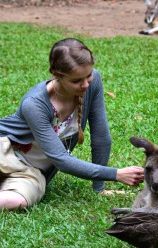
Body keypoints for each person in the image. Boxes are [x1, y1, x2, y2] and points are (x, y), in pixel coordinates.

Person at [0, 38, 144, 210]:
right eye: (76, 81)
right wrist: (117, 174)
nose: (85, 85)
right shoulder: (34, 104)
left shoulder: (93, 81)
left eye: (88, 76)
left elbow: (101, 137)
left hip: (32, 172)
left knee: (17, 201)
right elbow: (61, 160)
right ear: (56, 74)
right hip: (4, 151)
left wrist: (99, 187)